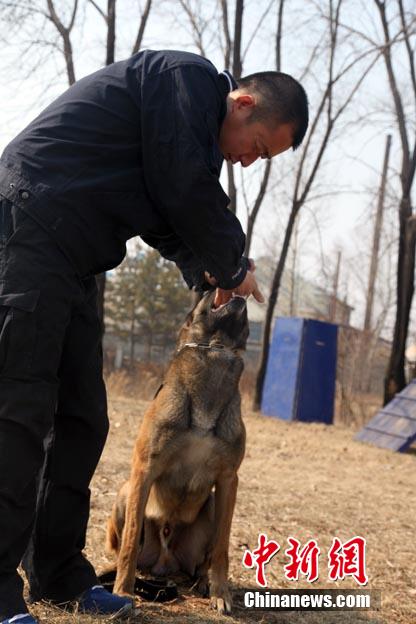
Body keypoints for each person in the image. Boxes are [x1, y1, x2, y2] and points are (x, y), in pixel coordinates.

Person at [0, 49, 308, 623]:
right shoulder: (183, 82)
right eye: (258, 147)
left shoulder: (186, 138)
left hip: (77, 257)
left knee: (82, 417)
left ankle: (58, 575)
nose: (247, 162)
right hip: (31, 224)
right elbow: (182, 185)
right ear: (242, 103)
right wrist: (235, 263)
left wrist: (210, 274)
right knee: (20, 413)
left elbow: (170, 217)